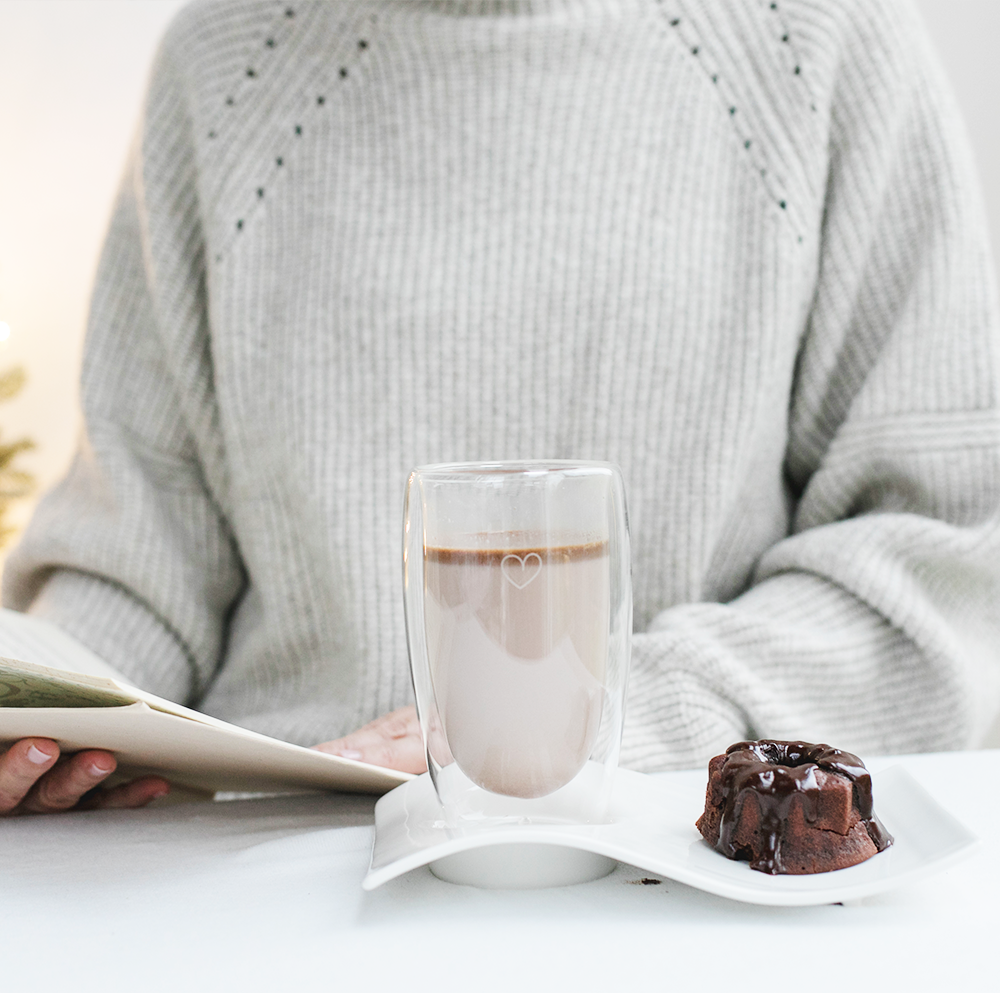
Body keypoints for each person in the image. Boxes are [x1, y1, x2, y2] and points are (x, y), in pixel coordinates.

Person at [2, 0, 999, 815]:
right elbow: (133, 566)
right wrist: (40, 714)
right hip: (270, 861)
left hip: (672, 852)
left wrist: (604, 724)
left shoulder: (822, 38)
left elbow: (941, 575)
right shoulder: (222, 62)